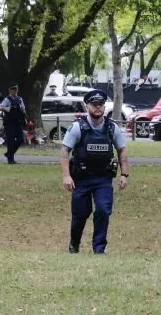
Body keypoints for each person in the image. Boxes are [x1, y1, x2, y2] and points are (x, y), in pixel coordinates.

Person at [60, 89, 128, 254]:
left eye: (100, 104)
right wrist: (66, 176)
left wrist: (124, 174)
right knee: (80, 214)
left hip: (103, 179)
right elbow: (64, 152)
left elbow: (122, 151)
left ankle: (99, 249)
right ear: (87, 106)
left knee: (103, 210)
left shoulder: (112, 128)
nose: (98, 107)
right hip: (81, 179)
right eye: (94, 104)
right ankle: (74, 244)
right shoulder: (78, 127)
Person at [0, 84, 27, 164]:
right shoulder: (7, 99)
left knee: (21, 139)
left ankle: (9, 153)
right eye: (13, 89)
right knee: (10, 141)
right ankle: (10, 159)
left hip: (18, 122)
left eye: (16, 89)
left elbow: (23, 109)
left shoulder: (19, 99)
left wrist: (24, 116)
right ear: (10, 90)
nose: (15, 91)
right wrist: (8, 108)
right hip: (9, 123)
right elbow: (1, 107)